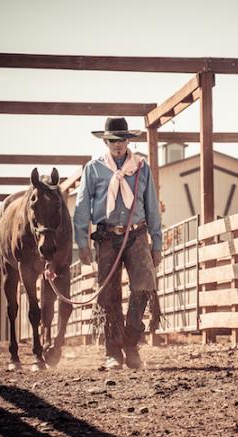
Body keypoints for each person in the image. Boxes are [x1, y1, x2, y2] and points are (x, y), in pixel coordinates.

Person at [73, 117, 162, 370]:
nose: (118, 144)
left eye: (122, 139)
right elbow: (81, 207)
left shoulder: (142, 167)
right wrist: (82, 242)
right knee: (109, 294)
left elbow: (152, 206)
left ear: (128, 141)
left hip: (137, 234)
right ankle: (113, 352)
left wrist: (157, 243)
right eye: (113, 140)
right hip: (107, 236)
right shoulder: (93, 169)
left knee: (144, 286)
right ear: (106, 141)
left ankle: (131, 343)